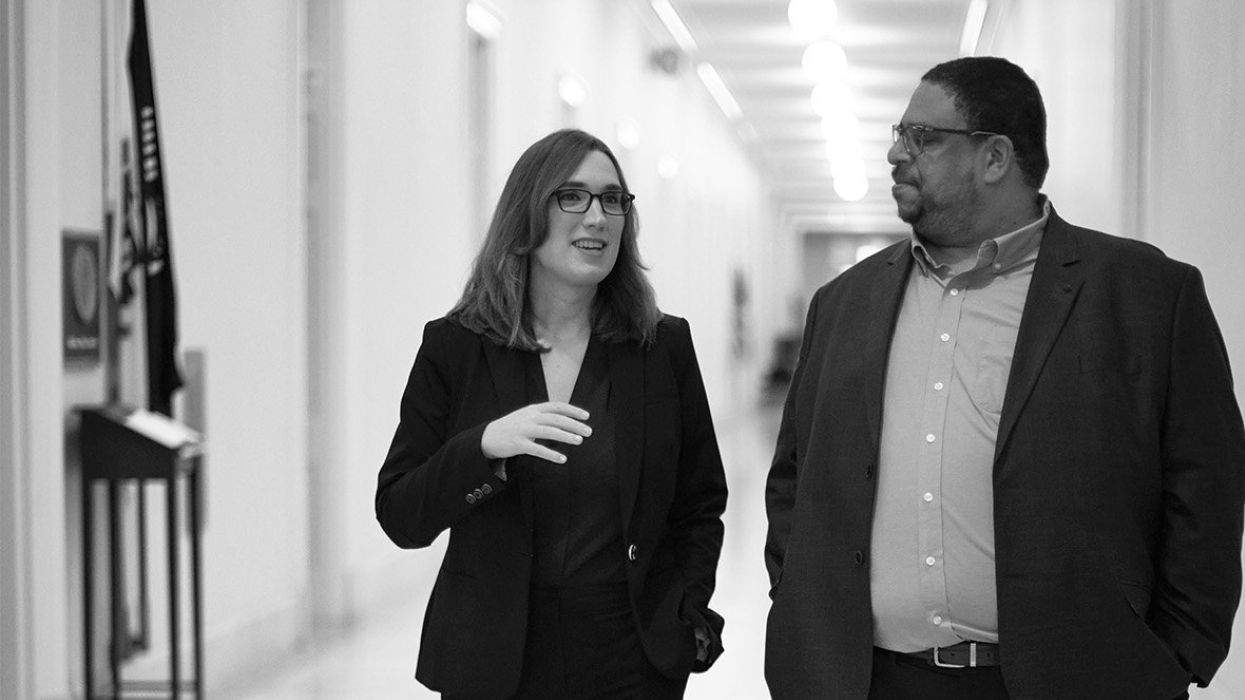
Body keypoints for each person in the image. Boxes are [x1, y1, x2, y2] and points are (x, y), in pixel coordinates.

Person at [763, 56, 1245, 699]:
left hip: (1073, 683)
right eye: (899, 134)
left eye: (922, 138)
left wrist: (1173, 655)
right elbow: (795, 479)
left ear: (994, 157)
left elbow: (1205, 488)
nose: (895, 154)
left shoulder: (1144, 294)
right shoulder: (845, 302)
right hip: (866, 680)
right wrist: (797, 604)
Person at [376, 128, 727, 699]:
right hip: (495, 660)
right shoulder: (457, 346)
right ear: (528, 212)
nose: (598, 217)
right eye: (573, 196)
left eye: (612, 199)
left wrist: (685, 610)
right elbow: (400, 515)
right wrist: (483, 448)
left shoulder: (660, 347)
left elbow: (700, 500)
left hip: (631, 660)